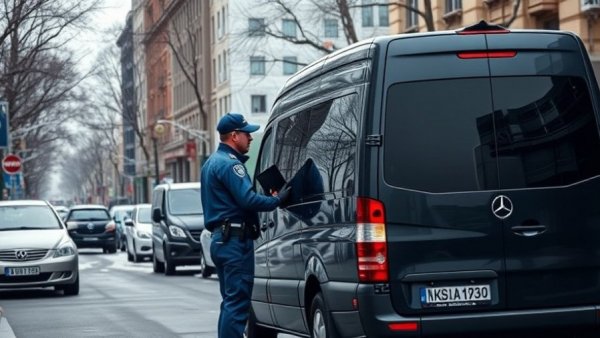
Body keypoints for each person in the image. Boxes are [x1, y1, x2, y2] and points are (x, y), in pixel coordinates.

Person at [200, 112, 289, 338]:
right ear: (233, 135)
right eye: (247, 133)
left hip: (221, 240)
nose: (250, 138)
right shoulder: (231, 165)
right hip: (235, 243)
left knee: (230, 303)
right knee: (238, 304)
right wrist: (277, 199)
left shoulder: (210, 163)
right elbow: (247, 200)